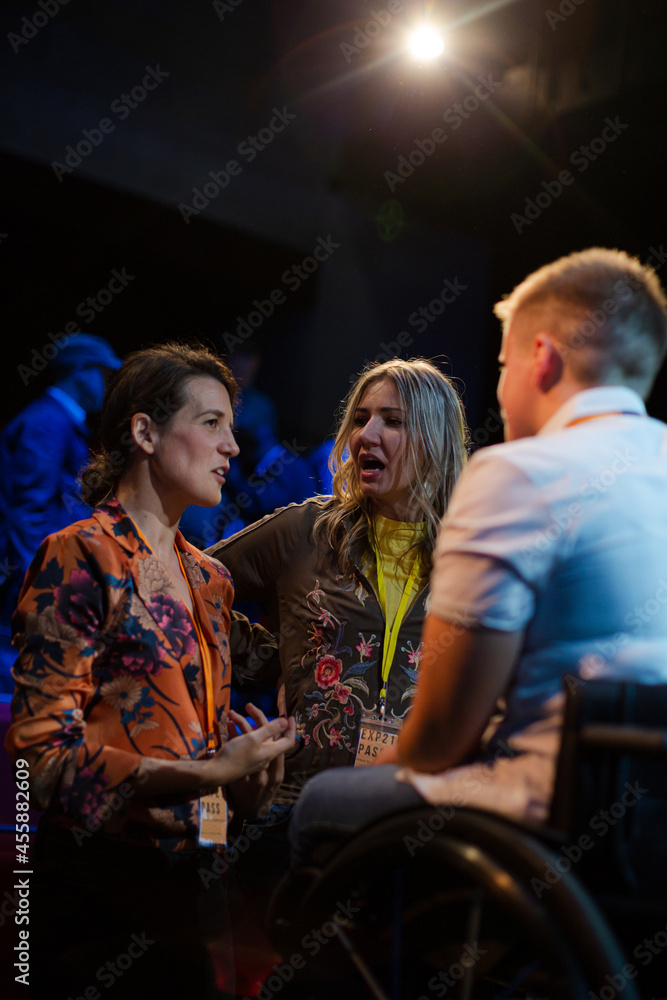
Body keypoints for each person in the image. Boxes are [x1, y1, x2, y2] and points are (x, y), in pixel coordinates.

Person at [290, 246, 667, 866]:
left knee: (324, 802)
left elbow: (437, 742)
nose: (501, 384)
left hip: (551, 818)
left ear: (541, 359)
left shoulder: (519, 474)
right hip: (653, 832)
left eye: (502, 363)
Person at [4, 342, 296, 1000]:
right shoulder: (81, 554)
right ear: (144, 431)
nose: (234, 448)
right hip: (97, 884)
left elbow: (214, 745)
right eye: (211, 423)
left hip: (197, 885)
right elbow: (39, 757)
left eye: (232, 425)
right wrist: (208, 774)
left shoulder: (210, 579)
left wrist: (237, 794)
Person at [208, 357, 468, 834]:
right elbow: (190, 583)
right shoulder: (305, 530)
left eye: (392, 422)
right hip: (294, 804)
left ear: (436, 440)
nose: (366, 435)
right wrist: (274, 660)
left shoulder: (472, 555)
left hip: (410, 816)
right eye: (361, 418)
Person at [0, 333, 123, 685]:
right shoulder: (46, 423)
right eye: (104, 374)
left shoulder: (57, 422)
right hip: (30, 585)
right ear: (81, 371)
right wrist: (41, 586)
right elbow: (28, 511)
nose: (108, 385)